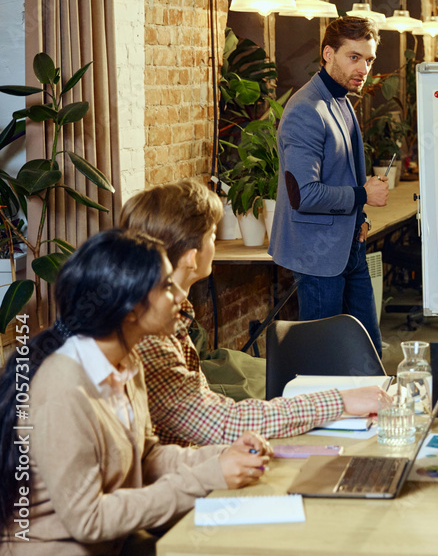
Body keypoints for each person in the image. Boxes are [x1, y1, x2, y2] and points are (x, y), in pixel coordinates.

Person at [0, 230, 271, 554]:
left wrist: (224, 455)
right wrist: (210, 477)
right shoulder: (62, 391)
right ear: (128, 309)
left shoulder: (127, 361)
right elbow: (88, 520)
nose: (179, 296)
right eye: (166, 286)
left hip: (118, 543)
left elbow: (147, 457)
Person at [121, 179, 388, 447]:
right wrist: (341, 401)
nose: (215, 242)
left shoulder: (174, 311)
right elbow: (221, 423)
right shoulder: (150, 337)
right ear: (192, 257)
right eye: (212, 235)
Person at [270, 15, 388, 351]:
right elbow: (304, 195)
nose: (363, 69)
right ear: (328, 54)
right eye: (354, 57)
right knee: (323, 357)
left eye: (369, 60)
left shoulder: (341, 101)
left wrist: (360, 217)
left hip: (350, 247)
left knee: (368, 350)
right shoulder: (306, 109)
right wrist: (362, 195)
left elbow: (339, 174)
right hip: (318, 255)